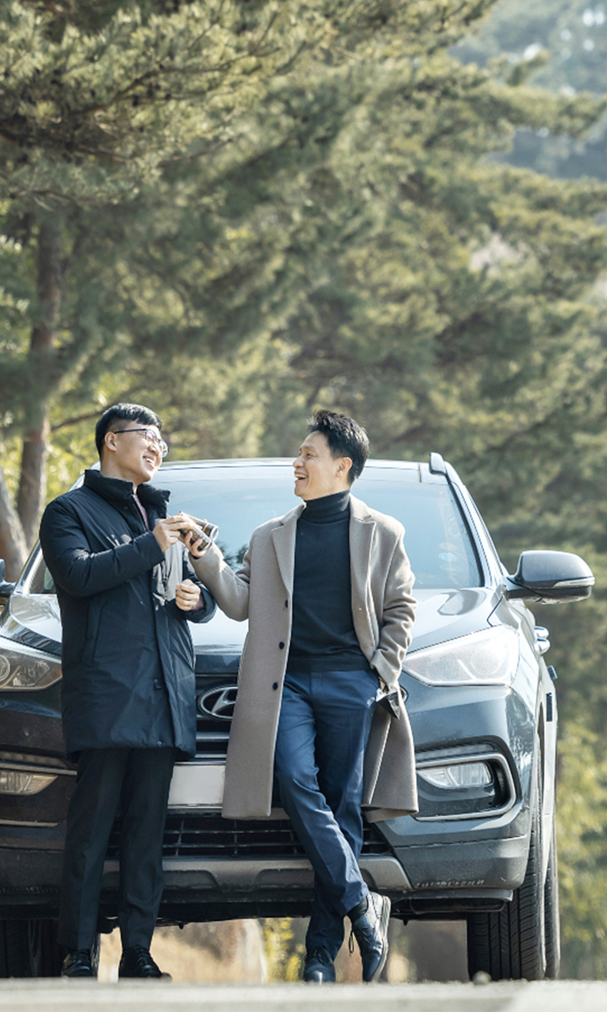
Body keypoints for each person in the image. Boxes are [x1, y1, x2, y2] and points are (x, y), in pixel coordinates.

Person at [184, 410, 418, 983]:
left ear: (343, 466)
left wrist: (380, 673)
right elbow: (239, 602)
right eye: (299, 453)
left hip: (351, 682)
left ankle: (319, 957)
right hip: (285, 683)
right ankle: (361, 905)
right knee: (292, 777)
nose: (297, 462)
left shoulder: (383, 532)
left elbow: (401, 608)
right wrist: (204, 554)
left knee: (342, 808)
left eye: (309, 454)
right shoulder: (270, 535)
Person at [39, 403, 214, 980]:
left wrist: (198, 600)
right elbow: (77, 575)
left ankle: (138, 952)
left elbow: (189, 595)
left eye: (163, 440)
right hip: (107, 696)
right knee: (91, 832)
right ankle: (78, 952)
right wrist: (152, 543)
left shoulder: (162, 515)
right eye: (148, 436)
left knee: (146, 836)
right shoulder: (68, 511)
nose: (158, 446)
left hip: (164, 698)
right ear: (112, 441)